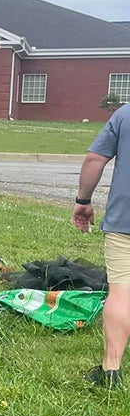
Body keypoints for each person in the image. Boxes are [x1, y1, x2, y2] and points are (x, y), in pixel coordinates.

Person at [72, 103, 130, 389]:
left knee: (122, 291)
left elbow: (95, 159)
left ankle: (111, 370)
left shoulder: (125, 114)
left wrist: (83, 201)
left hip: (125, 221)